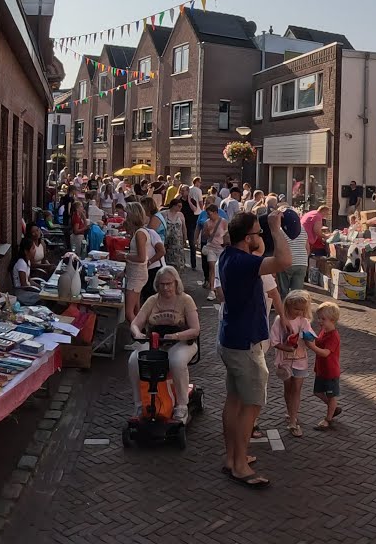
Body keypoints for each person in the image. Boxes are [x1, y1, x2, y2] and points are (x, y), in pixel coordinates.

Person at [217, 210, 291, 489]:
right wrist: (275, 228)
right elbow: (285, 260)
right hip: (245, 344)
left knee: (234, 401)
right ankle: (239, 466)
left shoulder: (228, 256)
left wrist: (257, 237)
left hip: (231, 339)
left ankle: (232, 457)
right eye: (256, 233)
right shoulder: (244, 262)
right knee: (251, 405)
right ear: (247, 237)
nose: (260, 237)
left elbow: (258, 251)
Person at [127, 266, 201, 421]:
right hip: (156, 342)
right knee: (134, 361)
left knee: (176, 361)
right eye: (162, 284)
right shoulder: (152, 301)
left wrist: (176, 336)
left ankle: (182, 406)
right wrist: (137, 333)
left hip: (181, 342)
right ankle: (139, 404)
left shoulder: (186, 300)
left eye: (169, 283)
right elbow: (135, 323)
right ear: (157, 285)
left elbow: (195, 329)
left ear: (176, 283)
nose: (166, 287)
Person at [270, 290, 315, 438]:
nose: (299, 312)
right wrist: (286, 347)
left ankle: (293, 421)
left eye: (302, 309)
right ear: (288, 306)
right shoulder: (279, 320)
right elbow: (274, 341)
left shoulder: (304, 321)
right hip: (285, 362)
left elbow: (310, 337)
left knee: (296, 390)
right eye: (296, 309)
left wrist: (310, 339)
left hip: (301, 361)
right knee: (288, 389)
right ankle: (290, 412)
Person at [308, 300, 342, 431]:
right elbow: (319, 341)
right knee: (317, 392)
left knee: (331, 395)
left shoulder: (333, 336)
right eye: (319, 318)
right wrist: (311, 338)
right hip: (321, 370)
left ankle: (328, 419)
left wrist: (311, 346)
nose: (320, 321)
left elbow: (325, 353)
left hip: (330, 372)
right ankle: (333, 408)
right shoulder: (324, 331)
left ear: (332, 319)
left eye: (323, 319)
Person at [124, 203, 156, 321]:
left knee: (129, 312)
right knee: (137, 309)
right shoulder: (140, 231)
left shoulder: (140, 234)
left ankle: (138, 335)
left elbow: (141, 257)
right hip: (136, 273)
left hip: (136, 275)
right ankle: (140, 332)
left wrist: (125, 256)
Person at [201, 203, 228, 302]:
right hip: (211, 247)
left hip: (221, 248)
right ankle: (212, 290)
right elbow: (204, 236)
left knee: (221, 268)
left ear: (216, 213)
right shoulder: (207, 223)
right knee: (212, 267)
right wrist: (207, 232)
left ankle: (220, 288)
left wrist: (226, 245)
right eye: (208, 214)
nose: (209, 216)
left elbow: (226, 234)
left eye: (210, 214)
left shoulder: (223, 222)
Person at [280, 221, 309, 296]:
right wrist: (304, 259)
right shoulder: (302, 229)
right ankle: (295, 307)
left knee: (284, 292)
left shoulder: (280, 230)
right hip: (302, 262)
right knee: (297, 294)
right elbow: (307, 247)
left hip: (286, 261)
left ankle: (284, 307)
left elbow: (278, 247)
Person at [161, 198, 189, 270]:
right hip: (166, 240)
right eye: (179, 206)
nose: (180, 208)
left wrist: (185, 238)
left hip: (177, 241)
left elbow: (184, 227)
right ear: (173, 205)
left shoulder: (180, 215)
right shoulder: (164, 214)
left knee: (178, 262)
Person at [13, 237, 42, 306]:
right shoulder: (21, 263)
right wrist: (36, 290)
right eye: (33, 248)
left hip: (27, 290)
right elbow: (24, 284)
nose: (35, 251)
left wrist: (40, 287)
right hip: (21, 292)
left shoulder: (27, 261)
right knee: (43, 298)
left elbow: (28, 280)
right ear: (26, 251)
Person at [184, 177, 204, 273]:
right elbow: (200, 203)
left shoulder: (189, 189)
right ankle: (194, 263)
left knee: (188, 237)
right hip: (196, 214)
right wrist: (202, 210)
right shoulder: (198, 190)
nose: (200, 184)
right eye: (199, 182)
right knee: (194, 235)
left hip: (188, 216)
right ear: (196, 182)